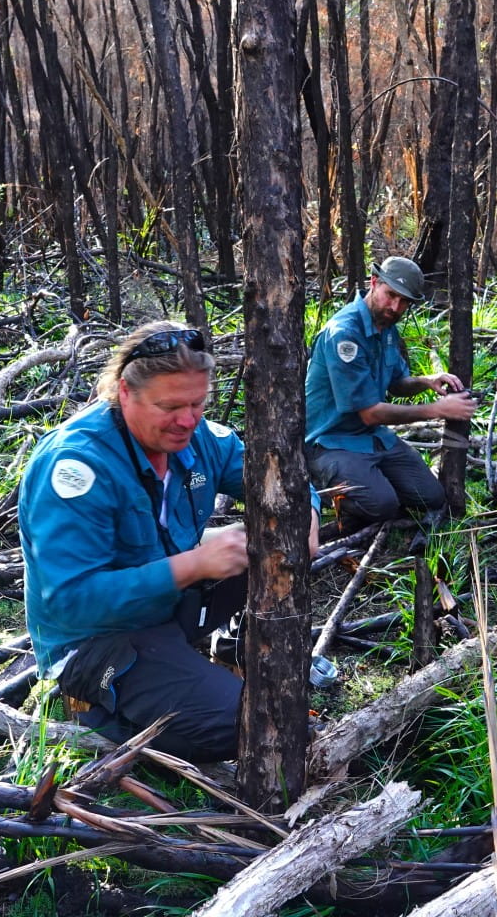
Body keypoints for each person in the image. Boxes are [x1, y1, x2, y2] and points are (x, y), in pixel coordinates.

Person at [20, 321, 320, 762]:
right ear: (125, 392)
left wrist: (306, 514)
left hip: (169, 611)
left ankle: (212, 658)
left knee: (268, 543)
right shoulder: (76, 466)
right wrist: (193, 566)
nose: (187, 420)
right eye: (170, 406)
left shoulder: (199, 438)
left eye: (198, 403)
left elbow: (278, 476)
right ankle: (99, 709)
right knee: (254, 723)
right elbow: (72, 601)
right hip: (97, 641)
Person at [305, 256, 477, 534]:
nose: (395, 307)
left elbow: (396, 384)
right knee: (382, 505)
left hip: (372, 438)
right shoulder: (344, 335)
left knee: (431, 496)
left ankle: (371, 482)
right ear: (374, 283)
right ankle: (322, 486)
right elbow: (370, 413)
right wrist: (437, 410)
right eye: (391, 295)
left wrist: (426, 381)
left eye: (404, 301)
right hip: (330, 441)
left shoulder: (386, 329)